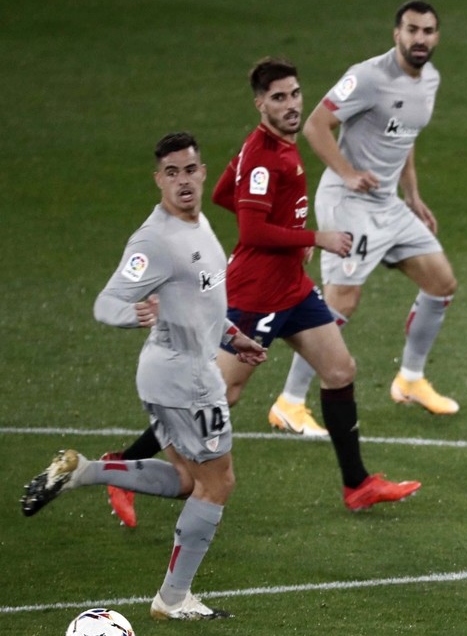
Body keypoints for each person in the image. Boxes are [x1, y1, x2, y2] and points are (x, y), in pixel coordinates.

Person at [102, 58, 421, 525]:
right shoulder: (265, 156)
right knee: (217, 395)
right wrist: (315, 237)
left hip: (291, 289)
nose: (291, 105)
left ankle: (358, 485)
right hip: (255, 296)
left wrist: (288, 232)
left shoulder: (273, 148)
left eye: (294, 94)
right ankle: (120, 467)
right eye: (278, 98)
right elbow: (251, 232)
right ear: (260, 104)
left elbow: (222, 194)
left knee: (339, 370)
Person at [21, 132, 267, 619]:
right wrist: (134, 315)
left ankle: (84, 471)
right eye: (171, 173)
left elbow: (200, 302)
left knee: (184, 478)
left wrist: (231, 334)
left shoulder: (198, 227)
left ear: (202, 172)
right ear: (159, 179)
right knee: (217, 484)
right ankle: (173, 599)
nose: (183, 181)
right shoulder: (154, 240)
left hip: (181, 372)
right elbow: (106, 302)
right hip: (185, 381)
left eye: (190, 170)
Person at [268, 0, 459, 428]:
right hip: (347, 202)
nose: (420, 38)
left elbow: (405, 136)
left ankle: (410, 380)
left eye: (428, 31)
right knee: (340, 301)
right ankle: (289, 402)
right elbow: (315, 124)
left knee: (441, 283)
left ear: (437, 36)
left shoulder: (429, 80)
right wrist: (347, 172)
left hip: (388, 204)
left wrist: (413, 195)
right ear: (397, 34)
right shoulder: (368, 77)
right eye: (412, 30)